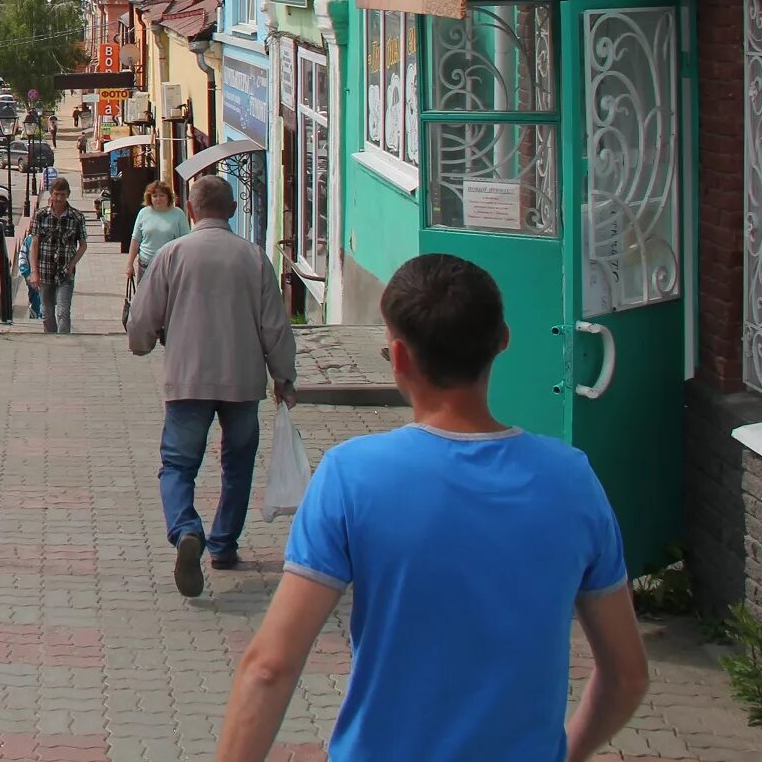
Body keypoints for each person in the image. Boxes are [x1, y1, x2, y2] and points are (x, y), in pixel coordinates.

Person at [215, 255, 649, 762]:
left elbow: (270, 667)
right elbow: (627, 675)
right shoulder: (572, 479)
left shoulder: (351, 476)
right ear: (502, 340)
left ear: (397, 357)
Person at [126, 173, 294, 594]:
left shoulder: (172, 255)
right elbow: (275, 326)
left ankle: (186, 529)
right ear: (233, 211)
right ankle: (222, 545)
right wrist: (284, 377)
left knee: (178, 465)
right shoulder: (254, 257)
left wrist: (142, 343)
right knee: (237, 466)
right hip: (243, 381)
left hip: (187, 378)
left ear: (192, 210)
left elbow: (142, 321)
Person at [28, 176, 88, 334]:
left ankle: (64, 345)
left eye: (62, 194)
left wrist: (72, 264)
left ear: (68, 194)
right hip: (45, 271)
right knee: (47, 314)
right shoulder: (41, 216)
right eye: (56, 194)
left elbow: (83, 245)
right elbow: (34, 244)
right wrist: (34, 272)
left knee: (63, 312)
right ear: (51, 194)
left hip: (65, 273)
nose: (59, 198)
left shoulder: (76, 217)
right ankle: (51, 343)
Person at [127, 180, 191, 298]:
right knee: (144, 300)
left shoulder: (178, 214)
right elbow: (135, 239)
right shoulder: (143, 213)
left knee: (166, 300)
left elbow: (186, 242)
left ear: (168, 197)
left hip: (169, 266)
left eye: (162, 195)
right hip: (146, 264)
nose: (158, 199)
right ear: (149, 197)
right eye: (154, 196)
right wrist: (129, 264)